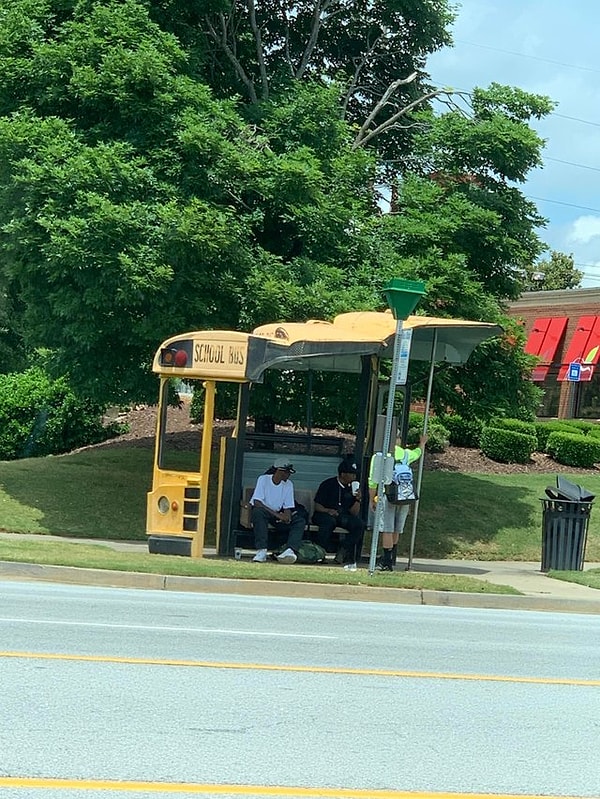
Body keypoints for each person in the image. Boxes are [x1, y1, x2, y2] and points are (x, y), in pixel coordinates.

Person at [368, 434, 427, 571]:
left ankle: (386, 561)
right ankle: (391, 557)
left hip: (387, 495)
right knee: (396, 529)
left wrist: (372, 499)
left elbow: (373, 480)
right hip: (404, 496)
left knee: (387, 529)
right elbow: (418, 453)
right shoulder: (406, 454)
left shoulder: (379, 456)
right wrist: (422, 443)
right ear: (399, 440)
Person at [249, 457, 306, 564]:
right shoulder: (263, 479)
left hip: (278, 515)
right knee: (258, 513)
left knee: (299, 521)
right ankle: (261, 551)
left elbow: (288, 506)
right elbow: (257, 502)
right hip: (265, 512)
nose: (289, 475)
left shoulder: (288, 484)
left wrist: (287, 516)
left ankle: (290, 550)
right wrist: (278, 515)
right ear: (280, 471)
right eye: (287, 472)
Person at [312, 459, 365, 572]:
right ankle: (320, 553)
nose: (354, 477)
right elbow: (317, 506)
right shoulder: (328, 484)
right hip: (324, 514)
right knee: (328, 522)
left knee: (358, 524)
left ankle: (344, 549)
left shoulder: (352, 488)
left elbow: (354, 513)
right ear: (343, 474)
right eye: (351, 474)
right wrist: (327, 510)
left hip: (342, 516)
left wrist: (358, 499)